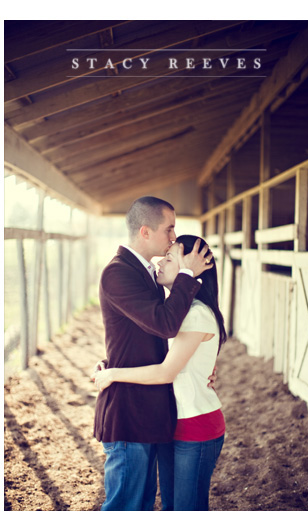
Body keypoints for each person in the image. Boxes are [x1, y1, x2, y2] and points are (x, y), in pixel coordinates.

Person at [93, 197, 213, 511]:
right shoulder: (118, 273)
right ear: (145, 232)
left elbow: (143, 338)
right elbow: (164, 325)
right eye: (169, 229)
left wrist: (198, 367)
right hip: (129, 411)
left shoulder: (147, 275)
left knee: (143, 505)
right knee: (126, 508)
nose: (174, 237)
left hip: (148, 412)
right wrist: (188, 275)